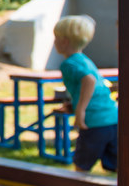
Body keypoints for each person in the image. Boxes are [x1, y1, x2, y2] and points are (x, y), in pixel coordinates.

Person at [50, 16, 119, 174]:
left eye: (56, 38)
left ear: (65, 41)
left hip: (93, 121)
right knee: (115, 163)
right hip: (112, 118)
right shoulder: (85, 60)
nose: (54, 42)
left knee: (82, 164)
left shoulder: (69, 63)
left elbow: (89, 80)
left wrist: (80, 110)